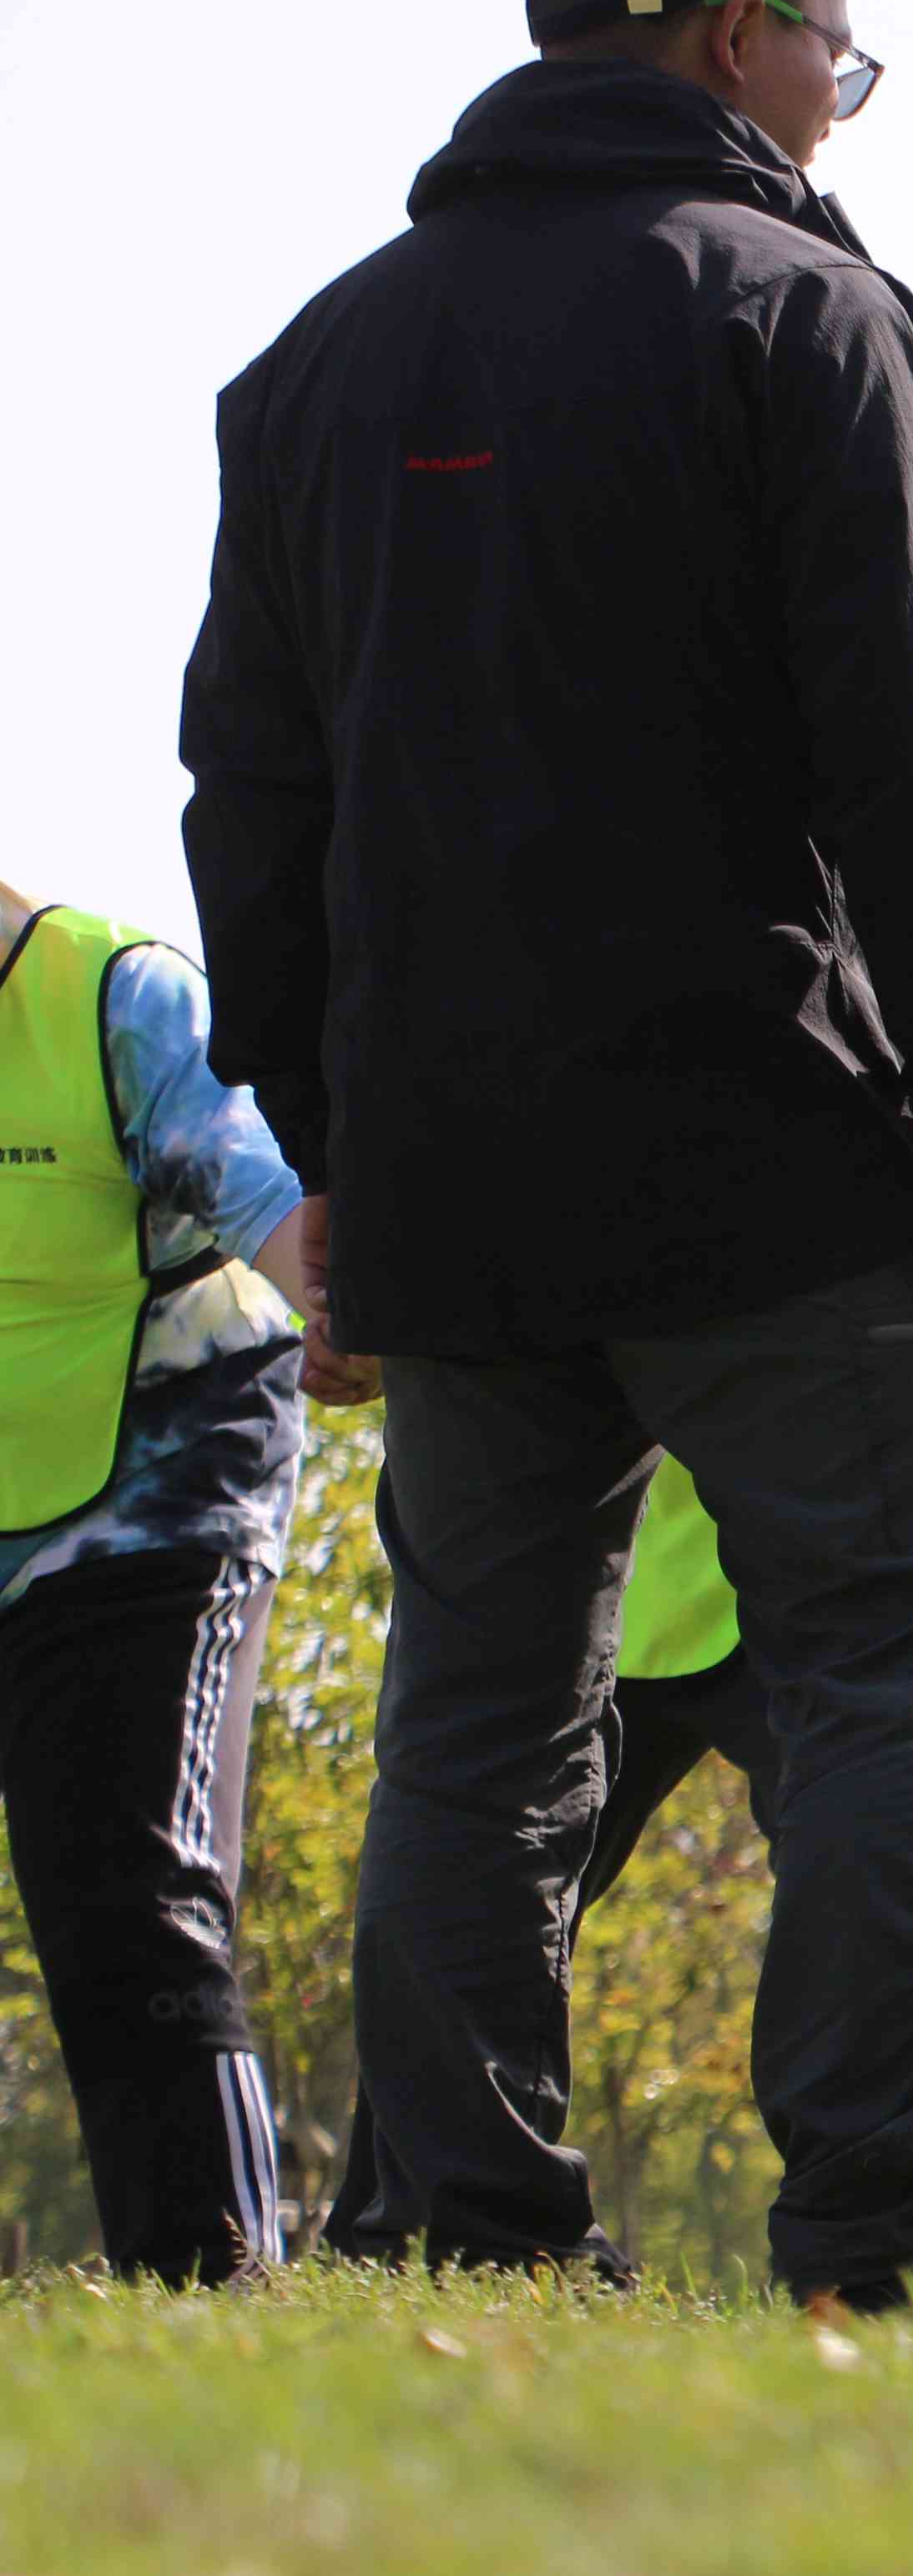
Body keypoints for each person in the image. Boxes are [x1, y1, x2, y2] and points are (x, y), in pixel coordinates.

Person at [179, 0, 913, 2306]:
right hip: (772, 1135)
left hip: (455, 1173)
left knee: (476, 1723)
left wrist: (326, 1144)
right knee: (889, 1661)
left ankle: (472, 2242)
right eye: (838, 51)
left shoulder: (316, 369)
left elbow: (249, 805)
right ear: (729, 31)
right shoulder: (800, 311)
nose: (839, 102)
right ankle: (890, 2234)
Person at [319, 1422, 913, 2276]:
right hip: (714, 1549)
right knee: (894, 1896)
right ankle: (400, 2226)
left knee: (896, 1908)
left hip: (725, 1557)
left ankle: (402, 2227)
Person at [0, 873, 366, 2281]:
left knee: (122, 1878)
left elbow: (266, 1188)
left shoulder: (115, 994)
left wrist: (336, 1307)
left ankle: (209, 2274)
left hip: (155, 1490)